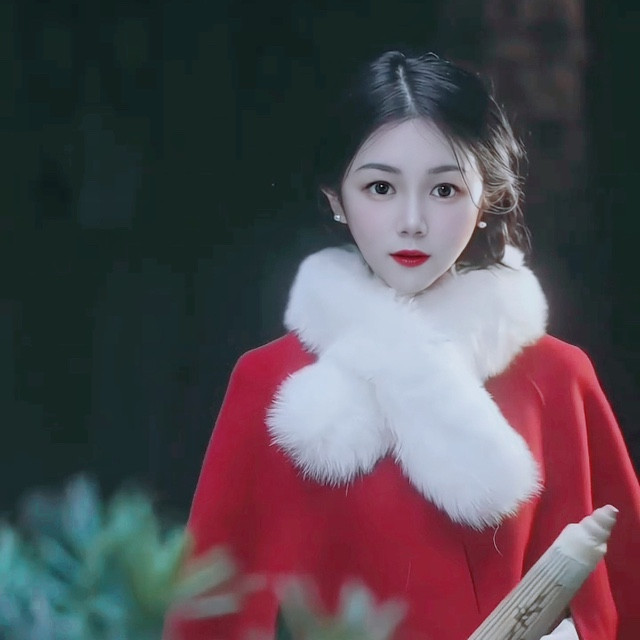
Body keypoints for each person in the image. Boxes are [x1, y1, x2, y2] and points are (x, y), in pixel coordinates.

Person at [164, 51, 640, 640]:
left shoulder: (557, 376)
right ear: (335, 197)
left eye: (444, 189)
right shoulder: (267, 381)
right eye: (381, 187)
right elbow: (211, 615)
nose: (412, 221)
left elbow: (616, 597)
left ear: (487, 196)